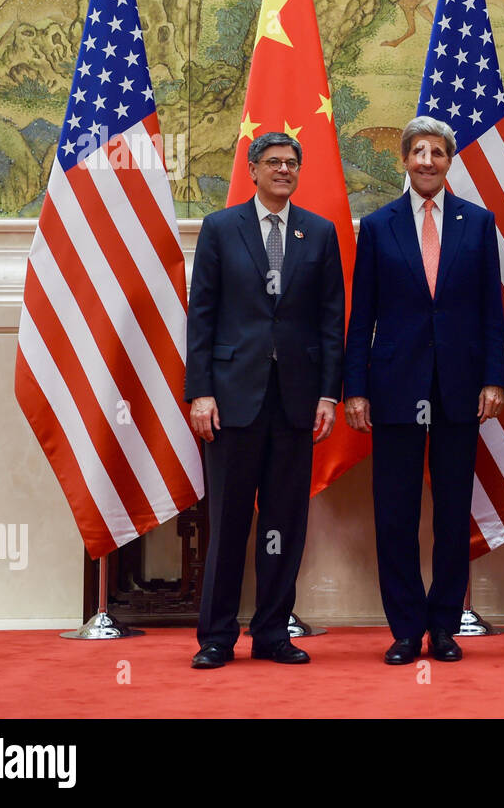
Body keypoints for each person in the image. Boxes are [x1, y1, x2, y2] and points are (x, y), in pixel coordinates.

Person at [343, 116, 504, 665]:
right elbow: (360, 313)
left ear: (449, 160)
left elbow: (491, 309)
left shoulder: (478, 224)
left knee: (452, 512)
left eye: (437, 152)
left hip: (460, 387)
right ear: (404, 159)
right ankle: (405, 629)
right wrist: (356, 388)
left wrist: (494, 378)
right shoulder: (379, 224)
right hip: (393, 387)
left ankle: (444, 626)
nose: (427, 161)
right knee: (395, 512)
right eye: (418, 151)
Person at [186, 131, 344, 668]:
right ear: (252, 170)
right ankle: (216, 637)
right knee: (229, 521)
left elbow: (330, 322)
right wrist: (201, 392)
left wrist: (329, 394)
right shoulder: (220, 229)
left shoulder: (318, 234)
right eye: (273, 162)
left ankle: (273, 631)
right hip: (232, 399)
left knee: (284, 523)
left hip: (296, 402)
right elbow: (201, 317)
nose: (283, 170)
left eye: (291, 163)